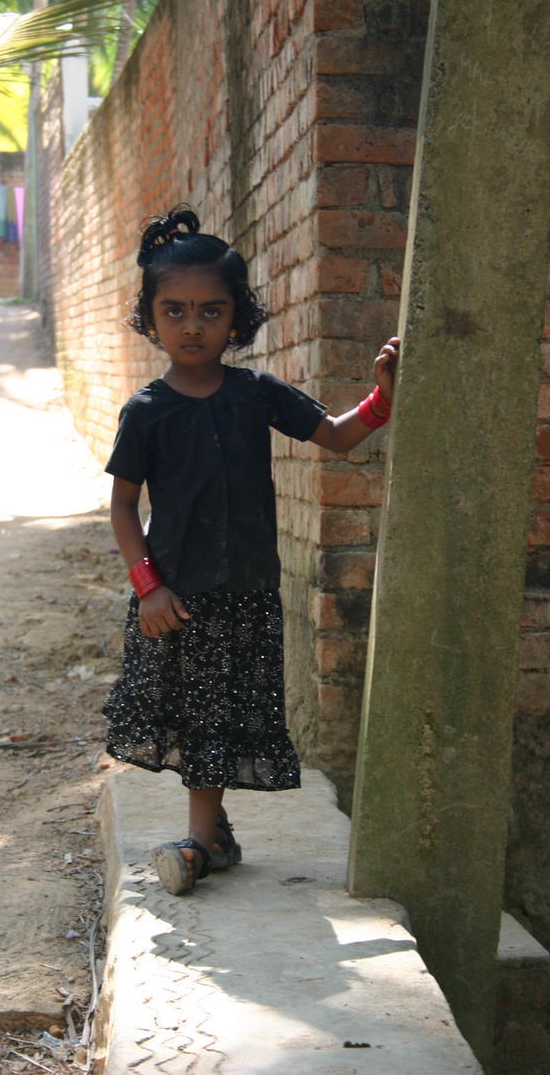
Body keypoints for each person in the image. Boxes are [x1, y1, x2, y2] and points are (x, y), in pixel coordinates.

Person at [102, 204, 398, 896]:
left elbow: (335, 435)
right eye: (174, 311)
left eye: (211, 310)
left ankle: (216, 837)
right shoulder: (146, 412)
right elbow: (121, 505)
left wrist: (382, 399)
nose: (193, 325)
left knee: (225, 715)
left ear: (238, 318)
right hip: (178, 594)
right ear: (150, 318)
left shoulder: (255, 393)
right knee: (202, 716)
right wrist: (148, 586)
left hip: (248, 590)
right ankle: (201, 846)